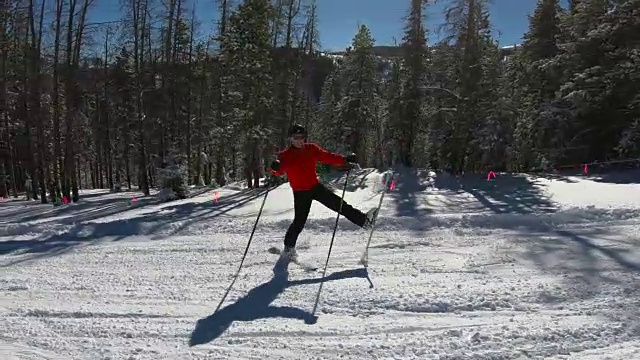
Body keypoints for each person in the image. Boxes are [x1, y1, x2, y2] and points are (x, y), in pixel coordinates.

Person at [270, 124, 378, 260]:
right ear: (291, 139)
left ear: (305, 137)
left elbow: (328, 157)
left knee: (340, 205)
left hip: (316, 188)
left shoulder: (311, 149)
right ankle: (288, 249)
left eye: (301, 137)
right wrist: (275, 167)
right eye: (296, 137)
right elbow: (278, 170)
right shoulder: (285, 155)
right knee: (299, 222)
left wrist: (344, 159)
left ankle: (364, 222)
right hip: (300, 193)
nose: (299, 140)